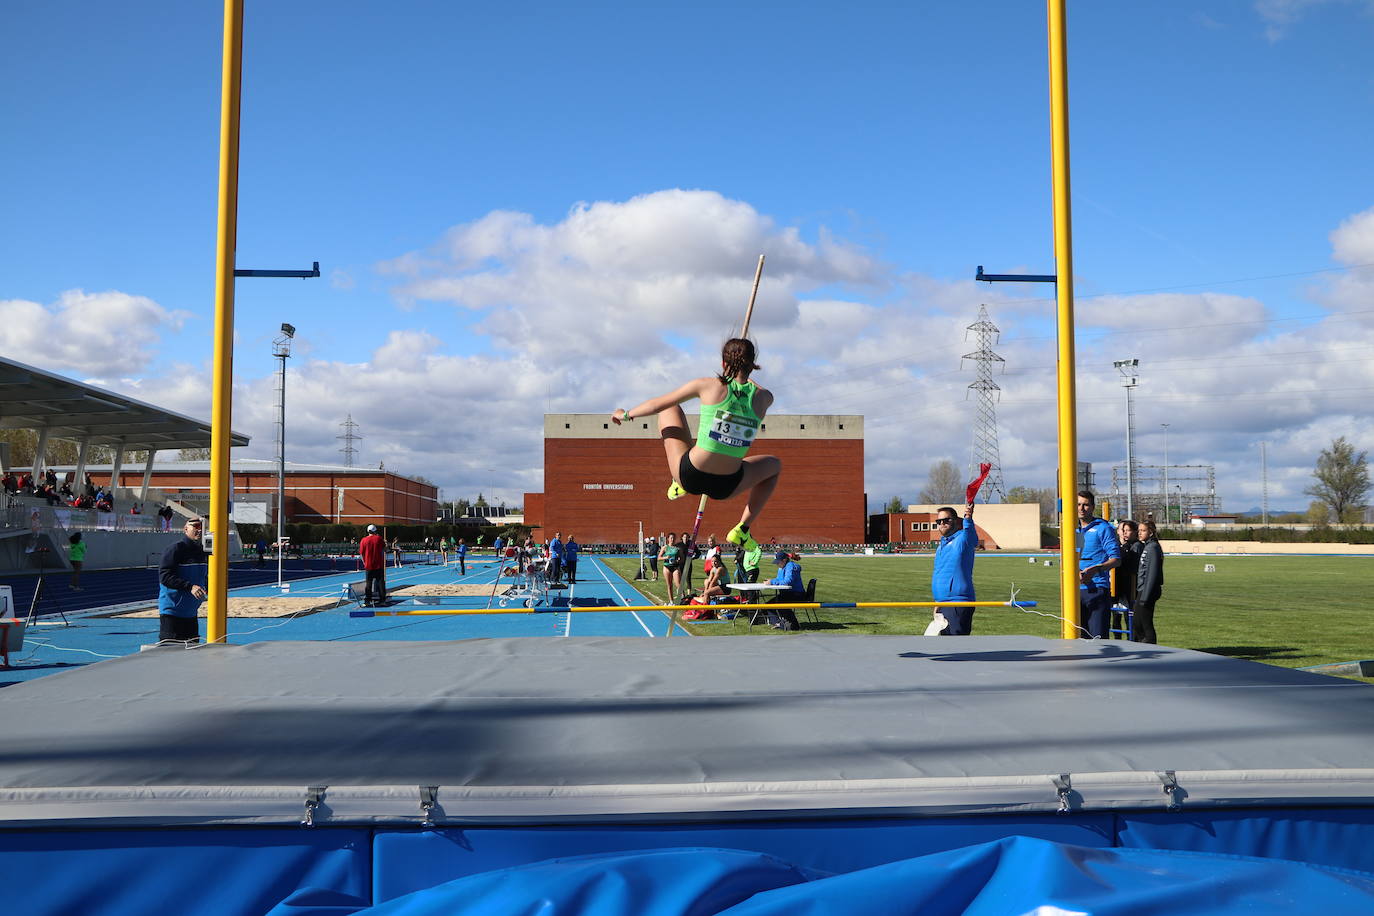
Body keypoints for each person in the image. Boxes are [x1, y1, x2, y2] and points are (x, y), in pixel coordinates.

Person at [611, 338, 781, 550]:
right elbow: (754, 385)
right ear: (753, 364)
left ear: (722, 363)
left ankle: (677, 483)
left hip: (690, 474)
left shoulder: (707, 385)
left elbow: (657, 403)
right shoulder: (764, 398)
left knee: (669, 407)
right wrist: (745, 372)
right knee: (774, 466)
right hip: (728, 485)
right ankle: (742, 529)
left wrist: (626, 414)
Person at [1076, 491, 1121, 639]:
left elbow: (1116, 559)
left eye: (1086, 504)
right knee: (1076, 640)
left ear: (1093, 507)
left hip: (1097, 589)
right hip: (1074, 592)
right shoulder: (1071, 529)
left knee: (1098, 639)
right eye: (1078, 504)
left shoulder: (1103, 528)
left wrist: (1096, 569)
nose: (1081, 508)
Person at [158, 517, 209, 644]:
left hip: (191, 613)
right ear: (186, 529)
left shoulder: (203, 552)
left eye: (202, 526)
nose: (199, 529)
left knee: (192, 655)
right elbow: (165, 576)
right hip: (172, 613)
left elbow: (203, 576)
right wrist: (189, 587)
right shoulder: (175, 549)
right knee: (170, 654)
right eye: (196, 526)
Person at [931, 503, 977, 635]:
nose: (942, 523)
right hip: (943, 603)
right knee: (946, 648)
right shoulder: (941, 546)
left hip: (958, 603)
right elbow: (940, 573)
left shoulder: (963, 539)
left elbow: (970, 532)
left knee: (956, 647)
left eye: (946, 520)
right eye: (939, 521)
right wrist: (937, 602)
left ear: (956, 521)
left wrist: (968, 516)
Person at [1134, 520, 1164, 644]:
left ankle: (1150, 646)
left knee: (1145, 623)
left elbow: (1152, 573)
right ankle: (1143, 644)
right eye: (1139, 530)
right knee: (1137, 622)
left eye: (1143, 530)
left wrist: (1145, 597)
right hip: (1143, 589)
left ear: (1151, 532)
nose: (1140, 533)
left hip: (1147, 591)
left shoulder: (1153, 547)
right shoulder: (1147, 546)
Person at [764, 550, 805, 631]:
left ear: (784, 560)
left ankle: (793, 625)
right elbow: (779, 579)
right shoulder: (782, 567)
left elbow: (787, 582)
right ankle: (779, 623)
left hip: (796, 594)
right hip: (788, 594)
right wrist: (771, 580)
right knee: (769, 605)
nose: (777, 564)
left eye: (778, 562)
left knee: (778, 603)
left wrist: (772, 582)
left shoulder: (790, 566)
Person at [1115, 520, 1142, 638]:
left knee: (1128, 617)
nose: (1124, 533)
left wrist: (1124, 547)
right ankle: (1117, 639)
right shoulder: (1118, 545)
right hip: (1118, 586)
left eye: (1127, 530)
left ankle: (1131, 639)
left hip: (1129, 587)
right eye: (1122, 530)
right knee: (1116, 617)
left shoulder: (1136, 546)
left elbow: (1128, 564)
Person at [359, 524, 387, 607]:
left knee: (368, 584)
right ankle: (382, 600)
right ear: (375, 531)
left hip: (368, 566)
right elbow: (384, 549)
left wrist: (364, 563)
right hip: (379, 565)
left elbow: (361, 553)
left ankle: (367, 601)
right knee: (381, 583)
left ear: (368, 531)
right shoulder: (379, 539)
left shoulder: (363, 540)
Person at [660, 532, 682, 604]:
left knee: (678, 584)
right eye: (671, 538)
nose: (672, 539)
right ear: (668, 539)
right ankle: (671, 601)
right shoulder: (665, 547)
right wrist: (665, 557)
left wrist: (678, 559)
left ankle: (682, 598)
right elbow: (659, 557)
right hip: (667, 567)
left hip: (675, 567)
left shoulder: (677, 548)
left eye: (674, 538)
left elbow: (680, 558)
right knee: (669, 585)